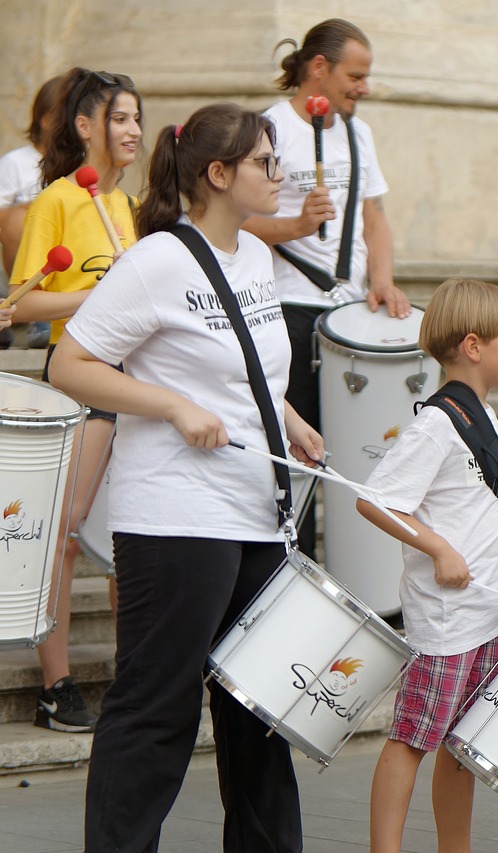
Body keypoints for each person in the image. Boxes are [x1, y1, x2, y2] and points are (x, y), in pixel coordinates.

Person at [48, 102, 323, 851]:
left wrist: (288, 419)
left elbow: (243, 369)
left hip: (256, 515)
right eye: (266, 163)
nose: (279, 176)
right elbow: (68, 363)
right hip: (175, 518)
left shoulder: (258, 258)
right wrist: (170, 405)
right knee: (157, 708)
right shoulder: (158, 261)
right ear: (219, 173)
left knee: (259, 713)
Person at [356, 277, 498, 853]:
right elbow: (375, 501)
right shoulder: (437, 424)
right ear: (475, 346)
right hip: (446, 623)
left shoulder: (482, 417)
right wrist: (439, 549)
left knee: (461, 746)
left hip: (483, 615)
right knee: (411, 739)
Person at [8, 67, 143, 733]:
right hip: (82, 380)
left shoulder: (124, 208)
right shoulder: (59, 199)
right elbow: (21, 305)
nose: (133, 131)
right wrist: (98, 296)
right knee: (63, 534)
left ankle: (135, 676)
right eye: (120, 118)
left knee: (133, 540)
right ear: (85, 127)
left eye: (138, 120)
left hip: (133, 384)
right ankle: (56, 684)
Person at [244, 17, 411, 557]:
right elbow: (236, 222)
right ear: (319, 68)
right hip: (288, 304)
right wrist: (294, 226)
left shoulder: (358, 132)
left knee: (353, 448)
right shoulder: (267, 130)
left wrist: (381, 279)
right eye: (355, 76)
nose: (363, 88)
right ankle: (291, 562)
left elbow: (375, 217)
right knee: (298, 448)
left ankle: (354, 565)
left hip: (347, 311)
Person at [0, 72, 64, 349]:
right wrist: (37, 207)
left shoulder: (81, 163)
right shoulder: (16, 162)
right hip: (28, 251)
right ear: (47, 119)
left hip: (67, 254)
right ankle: (34, 311)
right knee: (18, 220)